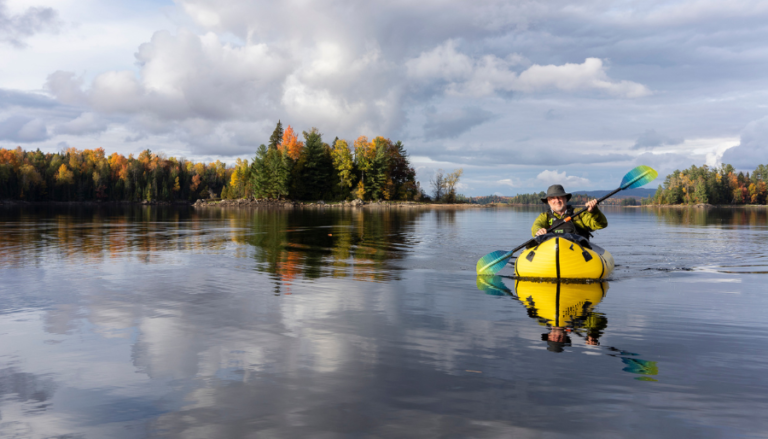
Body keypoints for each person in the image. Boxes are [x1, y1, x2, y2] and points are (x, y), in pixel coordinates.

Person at [531, 184, 607, 239]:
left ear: (565, 198)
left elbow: (601, 225)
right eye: (553, 198)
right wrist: (539, 230)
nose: (557, 200)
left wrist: (594, 211)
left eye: (559, 197)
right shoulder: (545, 216)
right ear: (548, 201)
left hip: (578, 252)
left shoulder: (579, 213)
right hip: (552, 251)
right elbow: (537, 225)